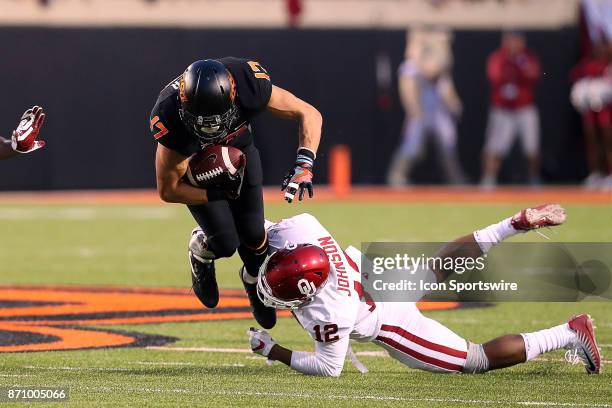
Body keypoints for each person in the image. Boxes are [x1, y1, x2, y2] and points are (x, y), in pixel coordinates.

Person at [237, 205, 601, 377]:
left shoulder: (330, 312)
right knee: (440, 264)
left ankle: (568, 333)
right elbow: (256, 228)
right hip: (381, 279)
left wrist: (274, 350)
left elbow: (329, 366)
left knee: (475, 360)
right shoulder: (303, 229)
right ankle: (513, 223)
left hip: (390, 319)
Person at [151, 58, 322, 329]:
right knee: (226, 243)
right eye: (201, 120)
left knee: (255, 236)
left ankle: (253, 281)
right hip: (199, 171)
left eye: (217, 119)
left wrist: (305, 164)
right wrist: (216, 194)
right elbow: (168, 190)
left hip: (240, 153)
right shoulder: (169, 116)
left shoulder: (248, 82)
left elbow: (308, 113)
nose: (210, 128)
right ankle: (201, 251)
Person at [387, 28, 466, 186]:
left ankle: (455, 179)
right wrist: (413, 109)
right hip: (419, 112)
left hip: (438, 112)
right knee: (413, 147)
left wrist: (454, 103)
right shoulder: (411, 67)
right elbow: (409, 87)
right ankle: (396, 177)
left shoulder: (440, 66)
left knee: (447, 145)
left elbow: (445, 84)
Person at [481, 30, 541, 188]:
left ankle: (534, 179)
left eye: (518, 40)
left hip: (524, 108)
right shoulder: (499, 57)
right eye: (511, 40)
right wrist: (511, 67)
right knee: (495, 146)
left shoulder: (527, 57)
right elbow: (495, 76)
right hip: (503, 109)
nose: (514, 44)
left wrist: (518, 67)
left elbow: (534, 74)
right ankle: (489, 178)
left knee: (531, 147)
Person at [570, 40, 612, 190]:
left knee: (608, 139)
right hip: (592, 109)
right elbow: (576, 77)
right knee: (592, 139)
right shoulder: (588, 64)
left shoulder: (608, 65)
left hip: (608, 109)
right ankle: (596, 173)